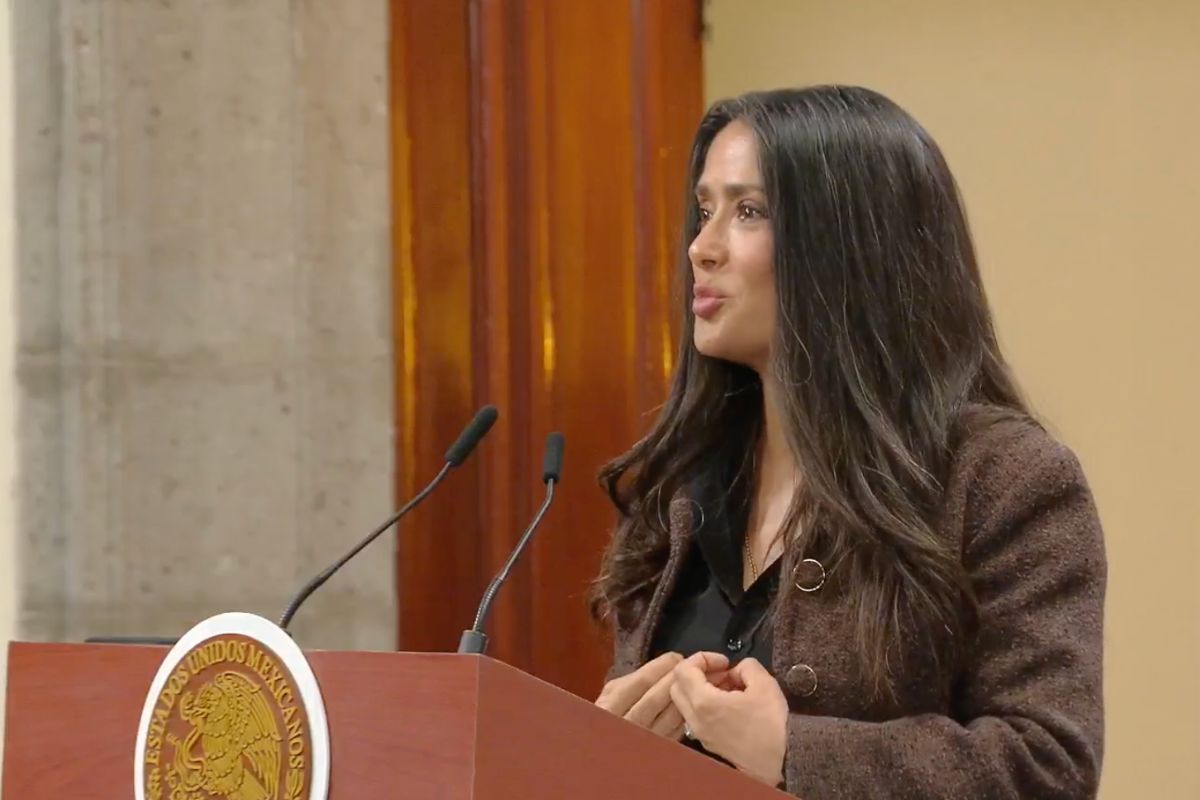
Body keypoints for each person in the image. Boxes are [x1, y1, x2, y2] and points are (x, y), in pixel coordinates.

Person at [590, 86, 1105, 799]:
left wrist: (792, 752)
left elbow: (1047, 766)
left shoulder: (1005, 480)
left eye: (747, 211)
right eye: (703, 211)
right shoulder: (678, 488)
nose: (700, 249)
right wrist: (593, 749)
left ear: (849, 242)